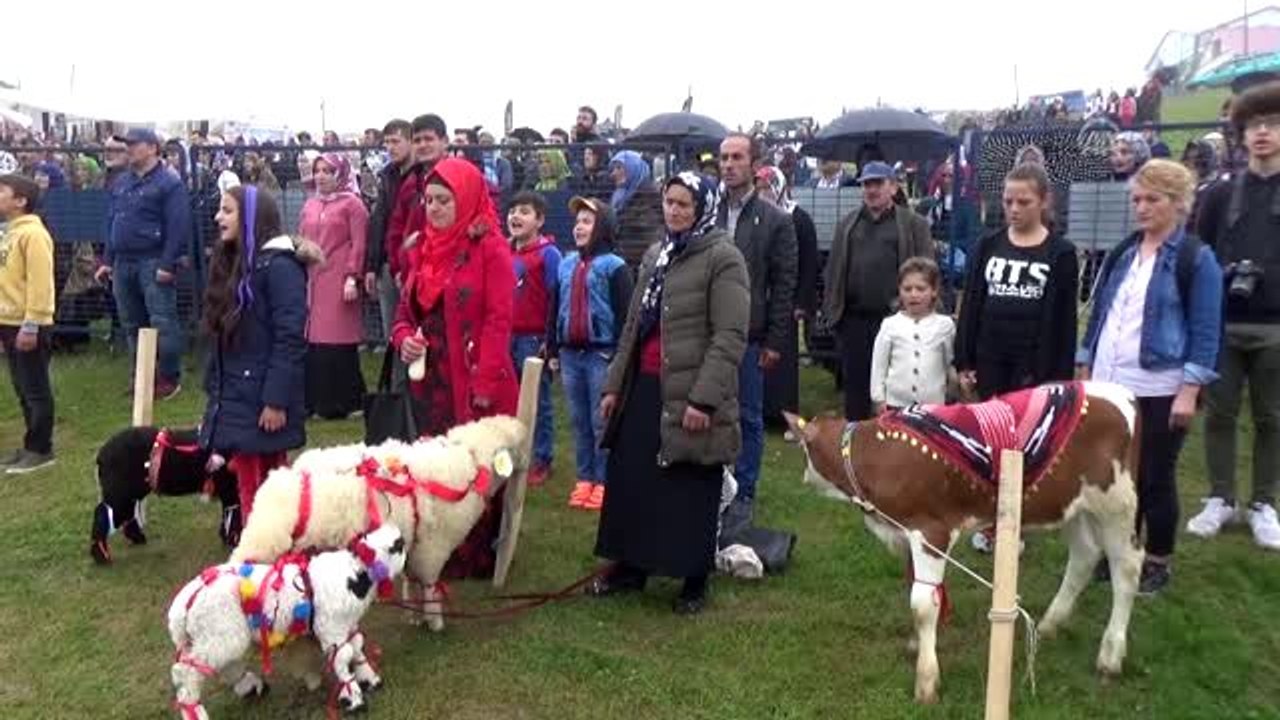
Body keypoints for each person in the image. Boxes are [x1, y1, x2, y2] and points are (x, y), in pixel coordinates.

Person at [590, 171, 749, 615]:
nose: (674, 211)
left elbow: (729, 335)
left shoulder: (724, 258)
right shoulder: (657, 254)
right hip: (643, 384)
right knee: (634, 477)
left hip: (691, 390)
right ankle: (632, 565)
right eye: (669, 202)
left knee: (690, 482)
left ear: (702, 208)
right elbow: (633, 326)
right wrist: (614, 385)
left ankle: (693, 578)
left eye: (684, 204)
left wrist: (703, 399)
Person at [1079, 160, 1223, 593]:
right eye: (1136, 199)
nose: (1141, 207)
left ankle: (1158, 559)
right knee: (1116, 476)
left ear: (1178, 203)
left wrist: (1189, 390)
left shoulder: (1197, 259)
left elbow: (1206, 330)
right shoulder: (1124, 252)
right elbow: (1102, 310)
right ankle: (1121, 548)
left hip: (1160, 386)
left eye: (1152, 199)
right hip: (1111, 382)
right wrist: (1086, 359)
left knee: (1155, 475)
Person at [392, 158, 518, 579]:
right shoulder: (422, 248)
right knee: (436, 462)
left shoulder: (490, 249)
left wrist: (484, 382)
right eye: (429, 200)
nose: (434, 208)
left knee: (475, 464)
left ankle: (474, 550)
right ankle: (437, 541)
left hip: (474, 377)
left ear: (465, 200)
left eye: (444, 200)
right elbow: (405, 313)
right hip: (430, 378)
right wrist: (403, 339)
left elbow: (499, 319)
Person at [1191, 82, 1280, 551]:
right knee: (1219, 415)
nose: (1262, 133)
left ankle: (1264, 502)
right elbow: (1199, 255)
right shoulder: (1220, 194)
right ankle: (1220, 497)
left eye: (1273, 124)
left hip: (1276, 327)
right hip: (1224, 323)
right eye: (1254, 125)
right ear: (1241, 134)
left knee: (1272, 418)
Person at [201, 186, 315, 523]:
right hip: (239, 391)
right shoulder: (240, 263)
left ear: (251, 217)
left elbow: (289, 337)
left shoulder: (280, 268)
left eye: (227, 210)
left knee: (267, 480)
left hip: (263, 395)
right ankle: (260, 535)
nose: (218, 217)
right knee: (251, 474)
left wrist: (276, 400)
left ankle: (266, 540)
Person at [716, 134, 798, 523]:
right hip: (708, 332)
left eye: (736, 157)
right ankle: (713, 483)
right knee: (709, 410)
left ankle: (744, 492)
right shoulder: (708, 213)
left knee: (748, 416)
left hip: (750, 334)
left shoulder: (776, 220)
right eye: (723, 158)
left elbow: (783, 285)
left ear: (753, 164)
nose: (728, 165)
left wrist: (775, 340)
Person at [956, 163, 1078, 400]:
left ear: (1044, 201)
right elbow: (971, 304)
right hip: (989, 360)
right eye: (1008, 201)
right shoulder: (987, 246)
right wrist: (964, 361)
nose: (1014, 209)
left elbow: (1065, 323)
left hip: (1034, 367)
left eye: (1024, 202)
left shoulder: (1061, 253)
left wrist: (1060, 379)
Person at [824, 161, 932, 422]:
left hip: (896, 321)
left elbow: (928, 271)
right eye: (866, 184)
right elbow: (834, 270)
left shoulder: (913, 224)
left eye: (877, 183)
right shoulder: (847, 224)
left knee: (895, 391)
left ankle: (894, 439)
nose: (871, 190)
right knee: (856, 392)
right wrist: (833, 313)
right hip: (854, 322)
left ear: (893, 187)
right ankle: (856, 441)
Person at [549, 196, 634, 512]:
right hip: (570, 356)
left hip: (602, 355)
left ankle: (603, 480)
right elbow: (554, 309)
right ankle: (584, 478)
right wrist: (552, 348)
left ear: (603, 227)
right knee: (578, 419)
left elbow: (626, 316)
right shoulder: (566, 264)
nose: (579, 227)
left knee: (602, 421)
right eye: (577, 222)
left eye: (587, 221)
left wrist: (621, 358)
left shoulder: (615, 267)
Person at [96, 128, 191, 400]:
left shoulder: (169, 182)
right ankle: (142, 378)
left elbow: (178, 226)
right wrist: (108, 260)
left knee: (162, 321)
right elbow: (113, 221)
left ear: (152, 147)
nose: (128, 148)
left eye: (134, 144)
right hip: (123, 261)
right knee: (131, 323)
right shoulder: (122, 181)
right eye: (127, 144)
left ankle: (169, 378)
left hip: (153, 259)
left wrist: (167, 263)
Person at [298, 153, 369, 420]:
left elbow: (359, 243)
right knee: (315, 341)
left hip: (339, 279)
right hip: (313, 280)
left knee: (338, 340)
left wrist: (352, 276)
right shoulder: (310, 204)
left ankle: (347, 401)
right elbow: (301, 238)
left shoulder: (353, 205)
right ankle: (315, 401)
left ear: (339, 174)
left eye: (327, 171)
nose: (321, 176)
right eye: (317, 171)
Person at [0, 174, 56, 474]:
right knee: (21, 387)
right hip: (8, 321)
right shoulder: (9, 233)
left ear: (21, 201)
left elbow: (40, 283)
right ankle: (29, 444)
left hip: (28, 323)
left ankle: (41, 448)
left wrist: (32, 324)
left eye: (2, 191)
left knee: (35, 389)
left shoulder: (33, 235)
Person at [754, 165, 818, 425]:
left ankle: (785, 413)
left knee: (784, 357)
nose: (763, 193)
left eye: (767, 188)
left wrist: (802, 301)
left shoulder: (798, 218)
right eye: (758, 188)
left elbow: (810, 263)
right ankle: (762, 410)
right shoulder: (756, 217)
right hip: (761, 299)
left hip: (787, 301)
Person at [507, 190, 560, 487]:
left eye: (524, 212)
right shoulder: (504, 251)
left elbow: (556, 297)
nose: (516, 216)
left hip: (533, 338)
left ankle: (542, 458)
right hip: (507, 336)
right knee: (509, 398)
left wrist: (549, 340)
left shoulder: (548, 254)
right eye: (513, 211)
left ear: (539, 220)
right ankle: (514, 454)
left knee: (538, 401)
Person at [870, 258, 955, 412]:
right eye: (907, 289)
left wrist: (953, 392)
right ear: (899, 290)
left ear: (934, 291)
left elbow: (951, 363)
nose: (913, 294)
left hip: (933, 406)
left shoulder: (945, 325)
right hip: (895, 405)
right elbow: (879, 365)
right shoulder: (890, 325)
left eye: (920, 289)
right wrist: (879, 398)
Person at [364, 119, 414, 344]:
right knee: (393, 336)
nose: (390, 148)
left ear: (410, 141)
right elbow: (379, 221)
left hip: (415, 264)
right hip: (388, 263)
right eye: (386, 143)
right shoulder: (387, 176)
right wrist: (372, 266)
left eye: (395, 141)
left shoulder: (423, 175)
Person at [386, 114, 449, 286]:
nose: (422, 145)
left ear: (445, 141)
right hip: (414, 273)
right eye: (417, 140)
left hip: (449, 273)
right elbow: (396, 228)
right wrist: (398, 267)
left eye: (428, 139)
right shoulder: (411, 182)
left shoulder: (462, 177)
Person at [608, 150, 663, 267]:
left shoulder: (648, 198)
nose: (614, 173)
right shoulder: (620, 196)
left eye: (619, 168)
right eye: (613, 169)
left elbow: (651, 238)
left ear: (633, 168)